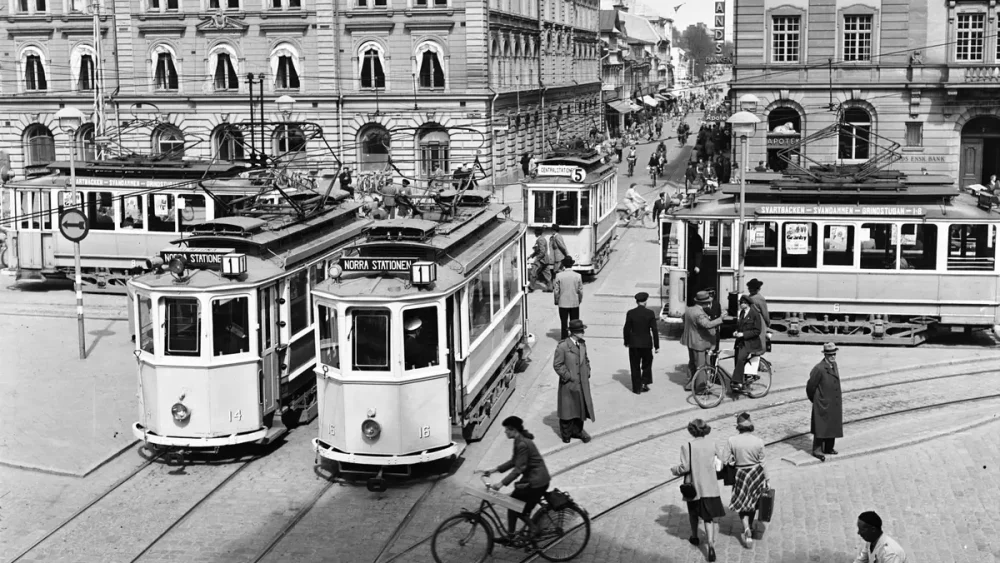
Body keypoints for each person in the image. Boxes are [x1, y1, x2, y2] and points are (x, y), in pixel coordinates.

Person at [483, 416, 551, 541]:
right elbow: (514, 461)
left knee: (517, 507)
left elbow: (519, 468)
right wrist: (495, 469)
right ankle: (512, 535)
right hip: (533, 480)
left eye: (506, 430)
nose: (505, 432)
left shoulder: (522, 444)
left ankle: (532, 529)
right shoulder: (519, 440)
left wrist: (501, 483)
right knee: (513, 504)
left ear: (513, 429)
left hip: (536, 482)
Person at [670, 419, 725, 562]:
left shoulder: (687, 445)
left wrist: (675, 470)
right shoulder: (712, 444)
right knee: (708, 518)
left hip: (694, 488)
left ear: (692, 431)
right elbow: (721, 463)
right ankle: (711, 546)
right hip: (710, 488)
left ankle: (695, 537)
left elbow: (685, 468)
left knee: (693, 515)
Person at [721, 412, 768, 548]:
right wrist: (768, 479)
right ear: (750, 426)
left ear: (739, 427)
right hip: (755, 475)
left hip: (740, 474)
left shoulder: (732, 440)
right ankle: (751, 527)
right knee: (752, 502)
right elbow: (763, 462)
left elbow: (725, 460)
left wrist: (733, 460)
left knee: (742, 503)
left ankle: (746, 528)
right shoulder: (758, 441)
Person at [553, 319, 594, 444]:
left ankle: (578, 431)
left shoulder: (582, 344)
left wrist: (587, 371)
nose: (583, 333)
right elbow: (557, 365)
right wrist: (569, 376)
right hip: (569, 384)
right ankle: (566, 434)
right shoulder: (563, 346)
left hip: (582, 382)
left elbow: (585, 359)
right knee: (567, 410)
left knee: (580, 408)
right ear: (574, 333)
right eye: (581, 331)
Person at [807, 342, 843, 462]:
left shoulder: (834, 365)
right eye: (830, 355)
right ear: (825, 355)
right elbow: (810, 387)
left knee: (832, 425)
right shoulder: (819, 368)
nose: (833, 357)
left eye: (834, 354)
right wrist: (817, 399)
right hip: (822, 402)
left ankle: (829, 448)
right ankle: (817, 450)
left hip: (833, 402)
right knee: (820, 427)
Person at [681, 291, 724, 390]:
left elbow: (683, 318)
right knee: (701, 366)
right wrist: (721, 319)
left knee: (692, 363)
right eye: (707, 302)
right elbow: (707, 325)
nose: (709, 304)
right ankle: (701, 388)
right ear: (704, 303)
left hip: (690, 340)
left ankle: (690, 384)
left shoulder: (689, 310)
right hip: (699, 342)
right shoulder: (699, 313)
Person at [623, 292, 659, 394]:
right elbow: (654, 330)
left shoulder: (630, 313)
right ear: (645, 301)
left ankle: (636, 389)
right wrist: (657, 346)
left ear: (637, 302)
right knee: (647, 364)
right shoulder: (650, 313)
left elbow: (626, 328)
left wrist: (626, 341)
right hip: (646, 344)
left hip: (634, 344)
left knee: (634, 365)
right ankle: (645, 381)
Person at [731, 294, 765, 392]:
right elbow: (740, 326)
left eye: (743, 303)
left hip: (750, 342)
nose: (741, 305)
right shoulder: (742, 313)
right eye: (740, 303)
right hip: (741, 342)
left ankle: (737, 382)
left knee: (741, 358)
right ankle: (741, 380)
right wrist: (736, 332)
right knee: (737, 360)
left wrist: (743, 334)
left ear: (748, 304)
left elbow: (757, 331)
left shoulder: (755, 314)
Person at [553, 256, 583, 340]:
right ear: (572, 265)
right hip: (574, 302)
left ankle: (564, 339)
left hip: (563, 303)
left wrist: (556, 300)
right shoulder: (578, 276)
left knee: (564, 322)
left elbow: (556, 290)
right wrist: (579, 299)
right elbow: (580, 290)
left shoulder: (559, 276)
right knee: (574, 322)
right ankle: (574, 338)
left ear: (564, 265)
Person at [529, 227, 554, 292]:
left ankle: (531, 287)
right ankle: (550, 288)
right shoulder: (542, 239)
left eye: (535, 232)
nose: (534, 234)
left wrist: (537, 258)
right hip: (545, 260)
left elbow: (542, 251)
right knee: (547, 274)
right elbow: (538, 250)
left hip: (541, 260)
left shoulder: (540, 240)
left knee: (533, 273)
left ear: (537, 233)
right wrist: (532, 255)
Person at [686, 223, 704, 302]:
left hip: (692, 264)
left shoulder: (697, 238)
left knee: (693, 284)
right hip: (686, 262)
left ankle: (692, 301)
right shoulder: (685, 236)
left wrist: (697, 266)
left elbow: (699, 253)